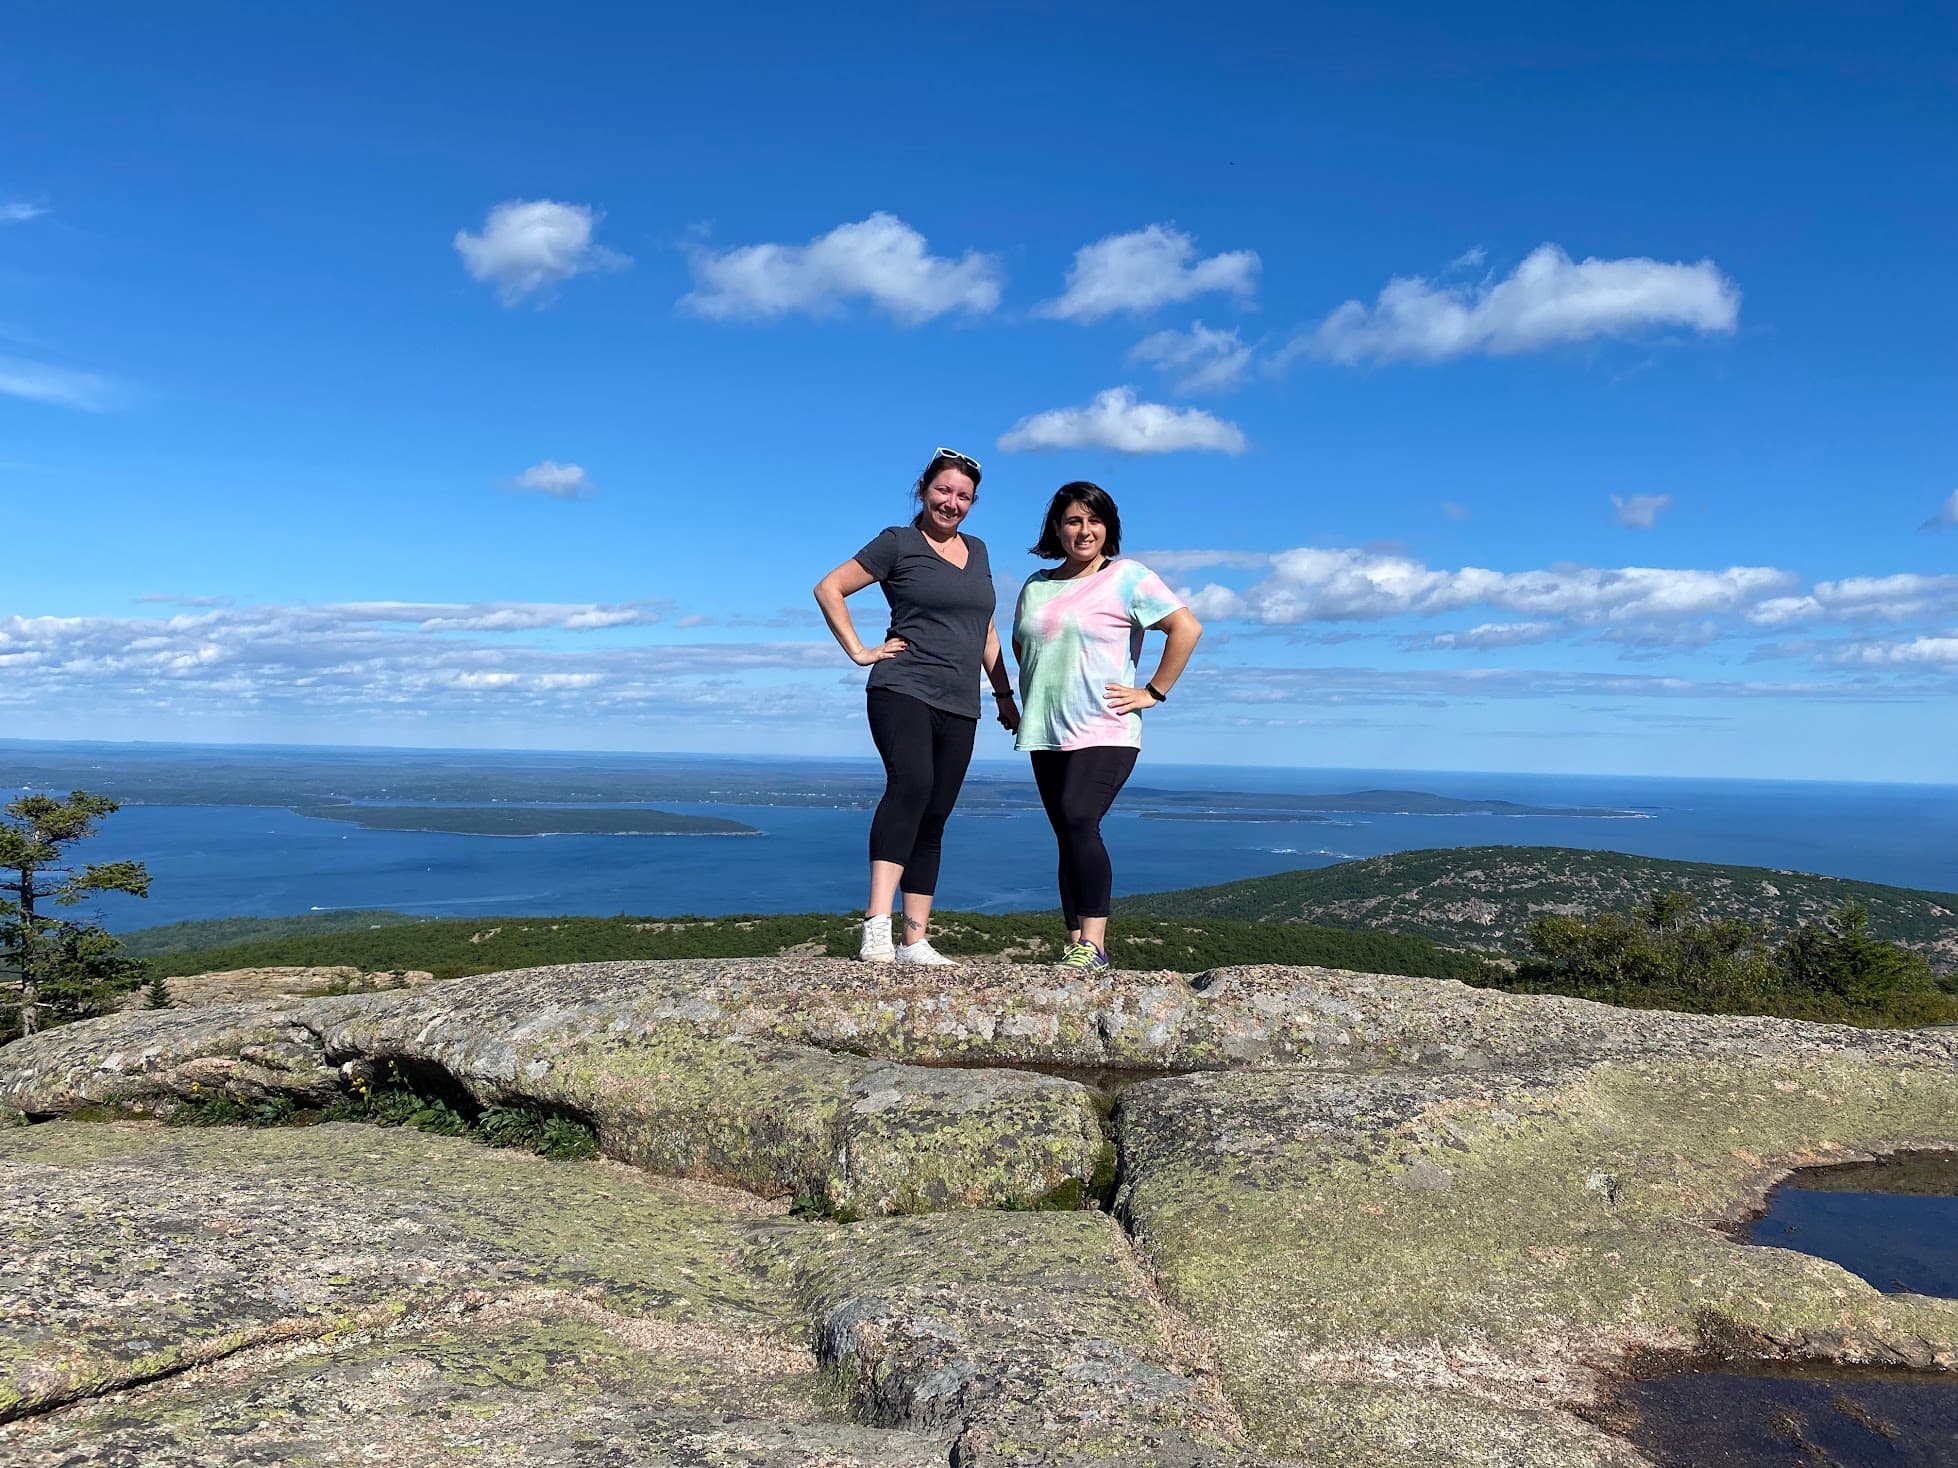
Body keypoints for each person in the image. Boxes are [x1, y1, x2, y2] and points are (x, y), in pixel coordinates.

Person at [814, 448, 1019, 965]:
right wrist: (861, 652)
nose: (952, 503)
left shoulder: (980, 551)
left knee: (936, 813)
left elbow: (985, 631)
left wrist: (1003, 695)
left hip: (961, 701)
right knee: (912, 787)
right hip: (902, 687)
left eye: (964, 496)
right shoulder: (898, 543)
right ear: (924, 489)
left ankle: (915, 940)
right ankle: (876, 929)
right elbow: (829, 588)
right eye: (944, 491)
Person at [1012, 481, 1202, 970]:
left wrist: (1153, 692)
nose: (1084, 530)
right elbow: (1024, 647)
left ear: (1108, 529)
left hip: (1106, 727)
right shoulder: (1036, 585)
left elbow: (1186, 627)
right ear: (1056, 527)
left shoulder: (1128, 577)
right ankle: (1076, 941)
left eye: (1094, 521)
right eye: (1073, 520)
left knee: (1079, 818)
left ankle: (1094, 945)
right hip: (1047, 730)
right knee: (1067, 834)